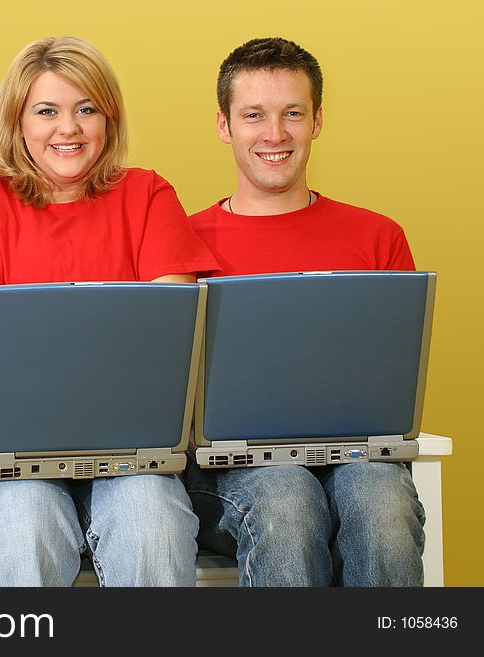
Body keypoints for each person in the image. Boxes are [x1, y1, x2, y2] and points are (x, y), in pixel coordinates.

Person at [0, 36, 219, 586]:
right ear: (18, 122)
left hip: (132, 446)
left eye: (87, 109)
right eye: (47, 111)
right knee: (24, 524)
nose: (70, 128)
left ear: (109, 120)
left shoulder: (148, 194)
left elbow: (173, 338)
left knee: (150, 520)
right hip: (9, 450)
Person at [185, 37, 425, 586]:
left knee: (380, 502)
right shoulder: (184, 242)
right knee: (287, 498)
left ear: (316, 121)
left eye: (293, 113)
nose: (275, 134)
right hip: (233, 467)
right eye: (254, 116)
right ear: (224, 125)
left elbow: (396, 377)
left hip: (360, 454)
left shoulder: (377, 237)